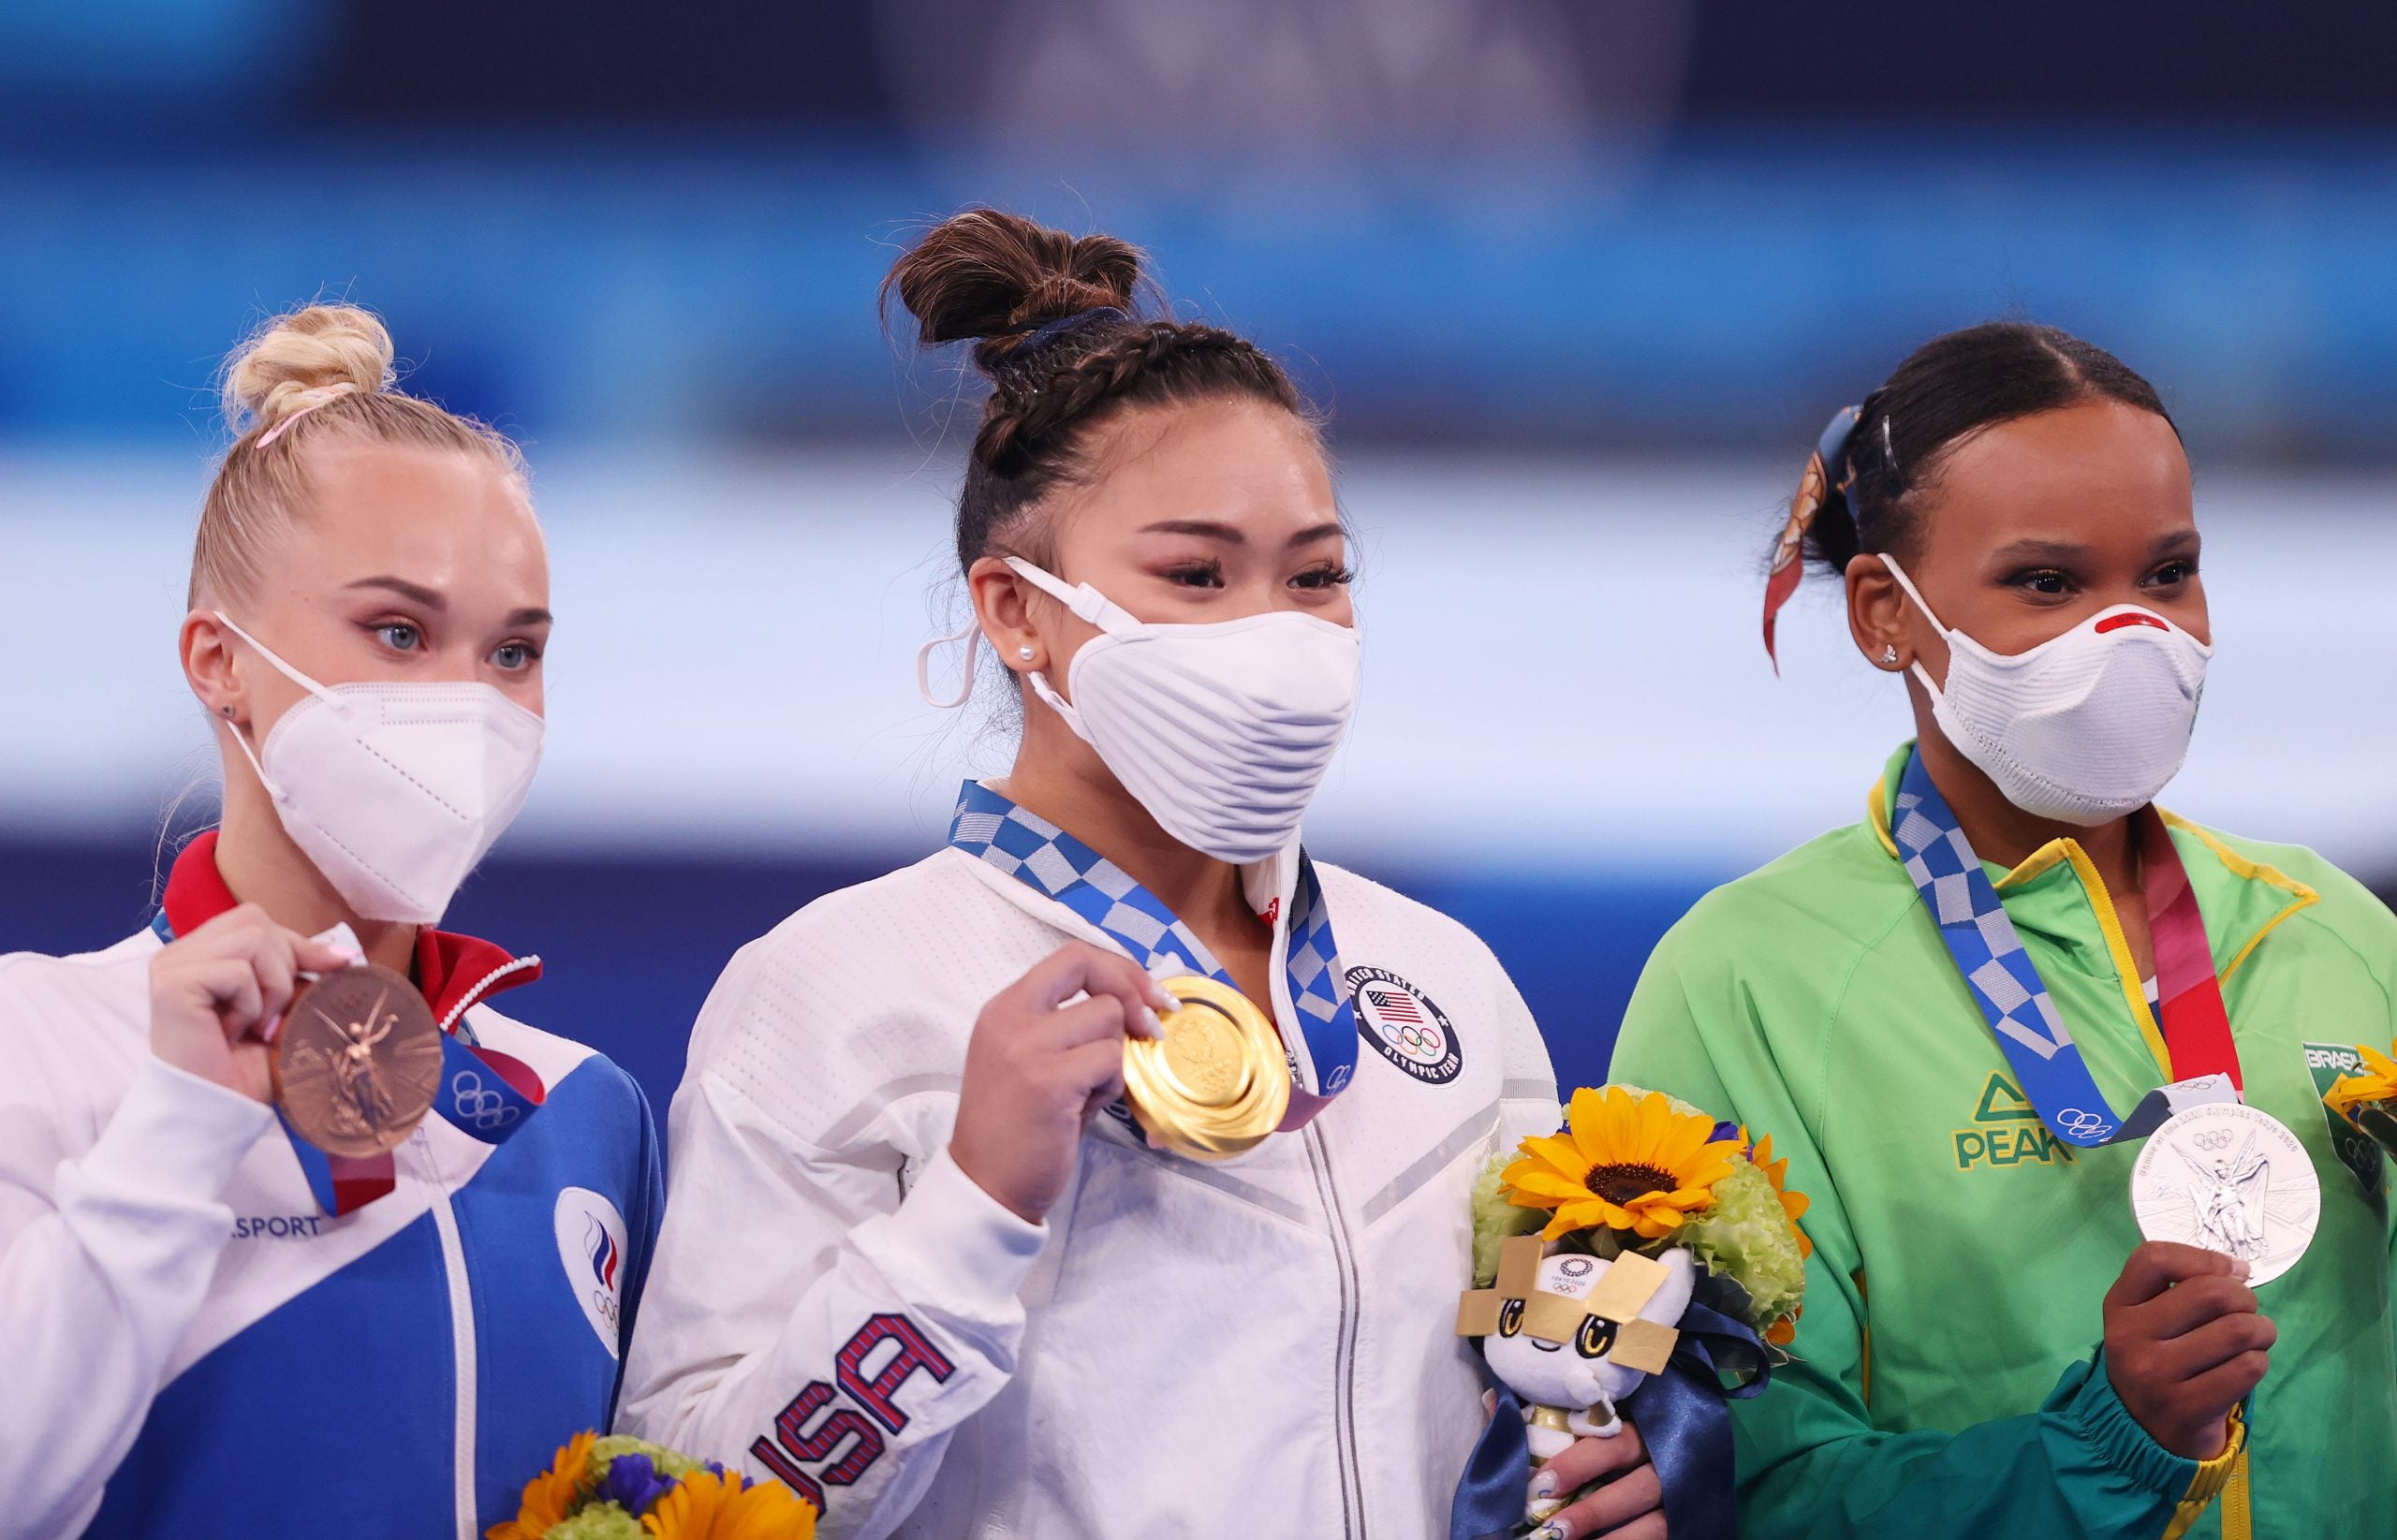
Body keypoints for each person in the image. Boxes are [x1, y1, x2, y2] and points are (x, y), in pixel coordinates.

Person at [617, 211, 1645, 1540]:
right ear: (1016, 610)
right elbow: (684, 1500)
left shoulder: (1439, 978)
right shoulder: (830, 991)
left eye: (1317, 575)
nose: (1275, 633)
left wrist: (1606, 1457)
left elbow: (1535, 1386)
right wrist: (969, 1211)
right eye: (1196, 573)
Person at [1610, 321, 2397, 1539]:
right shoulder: (1743, 985)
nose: (2133, 634)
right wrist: (2106, 1445)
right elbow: (1750, 1498)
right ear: (1886, 613)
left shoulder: (2334, 929)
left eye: (2169, 572)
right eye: (2049, 582)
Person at [0, 304, 664, 1538]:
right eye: (399, 632)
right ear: (218, 661)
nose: (470, 702)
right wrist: (182, 1120)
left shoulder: (587, 1111)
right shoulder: (34, 1042)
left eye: (514, 653)